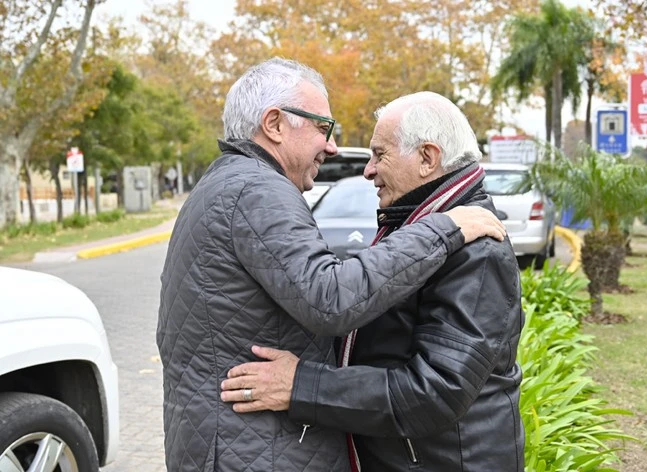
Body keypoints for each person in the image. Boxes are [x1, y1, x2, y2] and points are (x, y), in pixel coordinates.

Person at [156, 59, 507, 471]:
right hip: (253, 450)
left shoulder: (478, 248)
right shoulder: (256, 189)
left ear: (428, 159)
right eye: (323, 127)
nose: (338, 150)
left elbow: (434, 390)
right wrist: (443, 229)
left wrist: (304, 385)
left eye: (379, 154)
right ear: (274, 124)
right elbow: (331, 297)